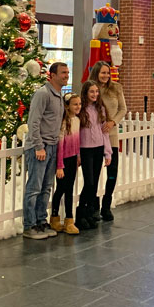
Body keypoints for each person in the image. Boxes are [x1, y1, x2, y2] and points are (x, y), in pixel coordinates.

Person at [22, 62, 69, 239]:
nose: (66, 75)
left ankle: (41, 221)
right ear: (53, 75)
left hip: (53, 146)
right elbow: (33, 122)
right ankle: (29, 225)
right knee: (34, 187)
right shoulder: (43, 94)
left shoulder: (59, 95)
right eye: (63, 72)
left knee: (46, 187)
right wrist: (39, 146)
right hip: (39, 148)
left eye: (67, 72)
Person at [89, 61, 127, 222]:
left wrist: (113, 122)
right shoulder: (91, 88)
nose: (105, 76)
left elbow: (123, 109)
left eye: (108, 73)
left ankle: (106, 205)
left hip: (111, 135)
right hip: (95, 137)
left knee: (112, 172)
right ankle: (94, 206)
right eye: (103, 73)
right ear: (97, 73)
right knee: (95, 173)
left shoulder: (116, 88)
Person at [77, 81, 112, 230]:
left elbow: (104, 132)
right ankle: (80, 213)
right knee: (89, 182)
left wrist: (107, 152)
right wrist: (77, 153)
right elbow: (76, 134)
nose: (95, 94)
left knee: (95, 183)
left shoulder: (100, 109)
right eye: (92, 92)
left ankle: (90, 212)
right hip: (86, 150)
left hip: (98, 149)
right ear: (85, 93)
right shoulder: (81, 110)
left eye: (97, 92)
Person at [50, 93, 81, 235]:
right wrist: (59, 165)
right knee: (61, 189)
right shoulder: (63, 122)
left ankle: (69, 220)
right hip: (63, 161)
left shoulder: (77, 120)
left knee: (69, 190)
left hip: (73, 159)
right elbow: (60, 145)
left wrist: (78, 155)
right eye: (75, 104)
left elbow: (77, 140)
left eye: (79, 104)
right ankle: (55, 218)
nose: (78, 106)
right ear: (67, 106)